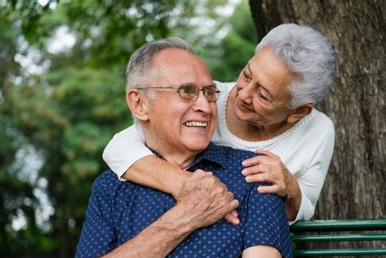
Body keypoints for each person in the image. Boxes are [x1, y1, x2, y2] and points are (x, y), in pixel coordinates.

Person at [74, 38, 293, 258]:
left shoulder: (254, 173)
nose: (205, 107)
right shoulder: (110, 188)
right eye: (186, 91)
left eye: (209, 93)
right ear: (139, 104)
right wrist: (183, 218)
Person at [103, 23, 336, 223]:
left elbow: (304, 207)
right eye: (246, 75)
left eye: (263, 96)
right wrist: (187, 185)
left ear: (298, 112)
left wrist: (291, 187)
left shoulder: (318, 131)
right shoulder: (205, 100)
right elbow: (118, 148)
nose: (243, 94)